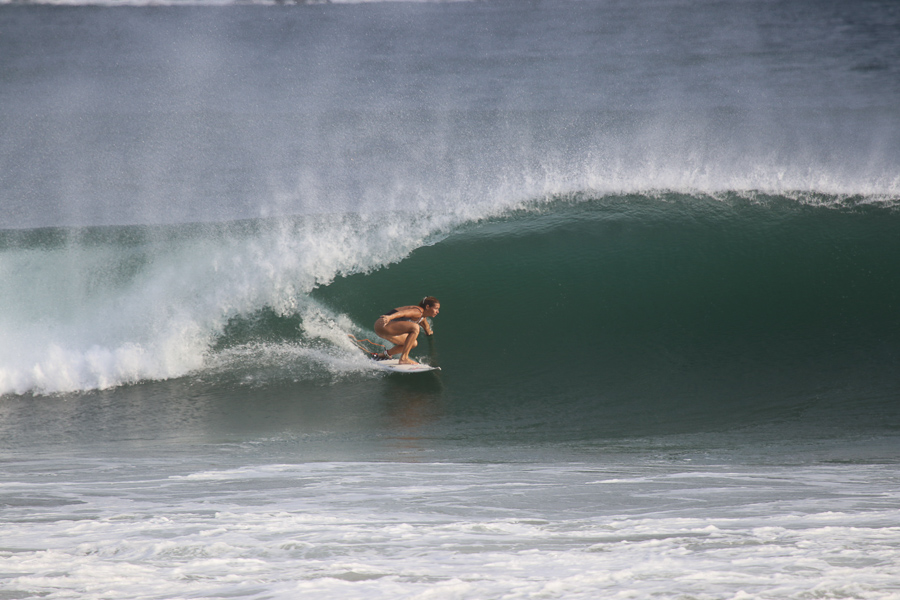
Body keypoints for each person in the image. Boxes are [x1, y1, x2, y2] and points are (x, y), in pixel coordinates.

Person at [373, 297, 440, 365]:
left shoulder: (422, 318)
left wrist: (429, 332)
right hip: (383, 324)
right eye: (436, 308)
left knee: (413, 343)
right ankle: (404, 358)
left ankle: (385, 354)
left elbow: (427, 327)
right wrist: (389, 317)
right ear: (428, 307)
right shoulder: (418, 311)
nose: (438, 311)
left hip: (386, 330)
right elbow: (403, 313)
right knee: (415, 327)